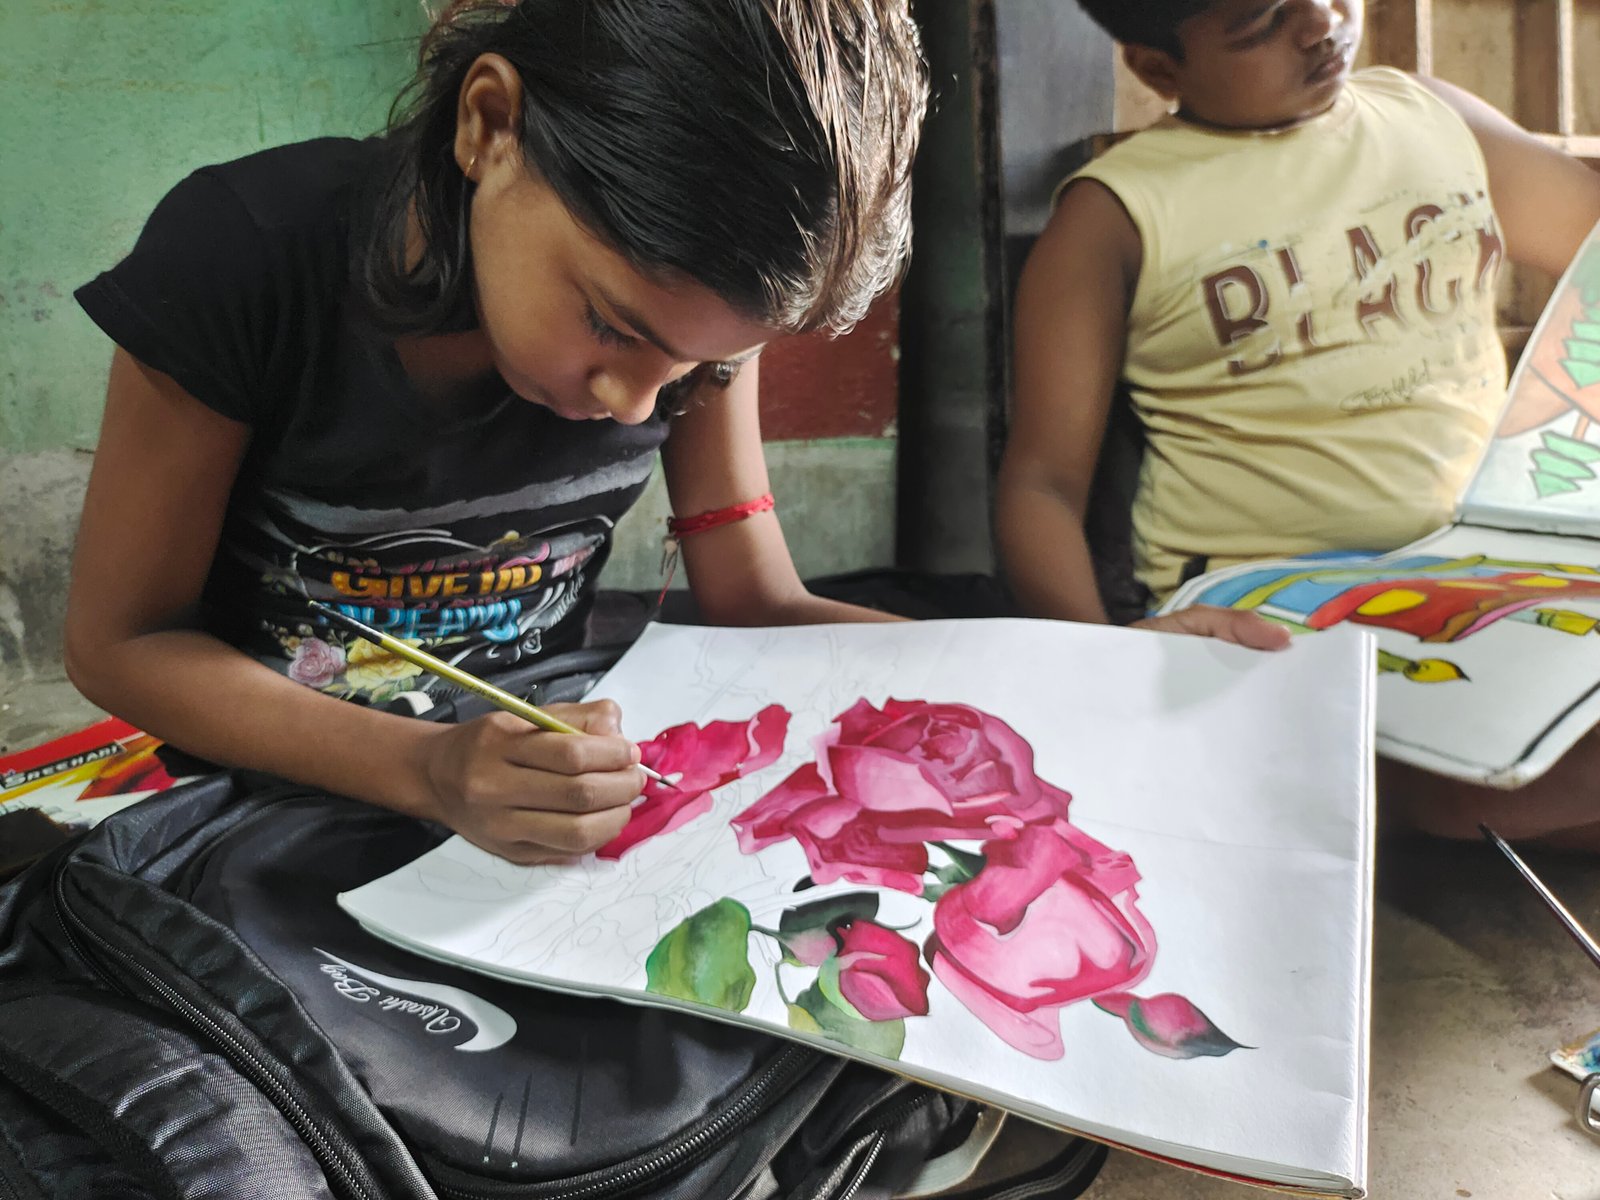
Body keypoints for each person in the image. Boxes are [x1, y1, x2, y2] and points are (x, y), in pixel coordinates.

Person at [63, 0, 940, 866]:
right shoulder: (244, 253)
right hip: (276, 789)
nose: (638, 405)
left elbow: (754, 600)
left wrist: (974, 664)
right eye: (608, 325)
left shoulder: (693, 320)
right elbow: (122, 647)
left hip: (539, 779)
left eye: (700, 365)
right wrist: (427, 769)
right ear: (489, 125)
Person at [996, 0, 1600, 848]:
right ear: (1159, 69)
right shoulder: (1115, 214)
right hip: (1274, 606)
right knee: (1468, 775)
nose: (1320, 23)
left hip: (1499, 571)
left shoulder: (1433, 120)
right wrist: (1109, 667)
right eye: (1261, 21)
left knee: (1529, 748)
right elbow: (1041, 487)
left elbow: (1590, 244)